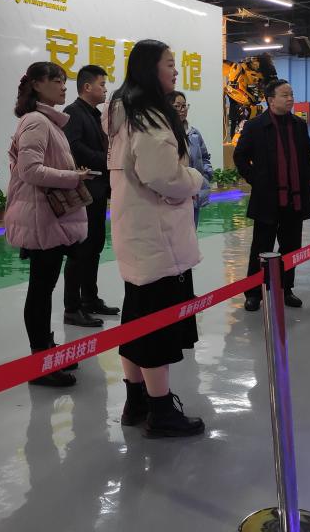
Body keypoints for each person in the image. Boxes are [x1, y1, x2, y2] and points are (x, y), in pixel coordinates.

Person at [104, 39, 206, 437]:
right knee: (156, 330)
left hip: (137, 235)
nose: (175, 71)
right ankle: (161, 412)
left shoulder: (123, 112)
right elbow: (163, 176)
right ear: (150, 69)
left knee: (136, 320)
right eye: (169, 64)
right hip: (158, 237)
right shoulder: (148, 117)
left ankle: (136, 401)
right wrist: (194, 178)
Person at [5, 62, 92, 387]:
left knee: (44, 288)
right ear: (38, 85)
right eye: (57, 80)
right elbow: (30, 170)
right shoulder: (37, 121)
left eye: (64, 80)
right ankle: (40, 362)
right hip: (40, 218)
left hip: (46, 218)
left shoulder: (45, 121)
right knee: (40, 290)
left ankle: (46, 352)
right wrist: (73, 177)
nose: (63, 86)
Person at [233, 79, 310, 312]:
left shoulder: (298, 125)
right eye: (285, 95)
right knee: (261, 248)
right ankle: (254, 293)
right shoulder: (255, 126)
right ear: (271, 100)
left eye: (291, 94)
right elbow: (240, 156)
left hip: (295, 198)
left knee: (291, 247)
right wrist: (256, 179)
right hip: (267, 199)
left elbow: (309, 155)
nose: (290, 99)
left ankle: (285, 289)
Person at [62, 65, 119, 327]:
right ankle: (72, 307)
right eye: (102, 84)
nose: (105, 89)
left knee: (94, 246)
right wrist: (106, 160)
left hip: (98, 189)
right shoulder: (73, 113)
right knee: (80, 250)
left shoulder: (95, 114)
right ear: (87, 87)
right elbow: (74, 148)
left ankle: (90, 299)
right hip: (85, 189)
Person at [168, 90, 213, 227]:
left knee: (192, 233)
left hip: (193, 193)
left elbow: (205, 157)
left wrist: (205, 177)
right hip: (173, 195)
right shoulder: (165, 134)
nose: (182, 110)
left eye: (184, 106)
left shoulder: (194, 133)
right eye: (177, 106)